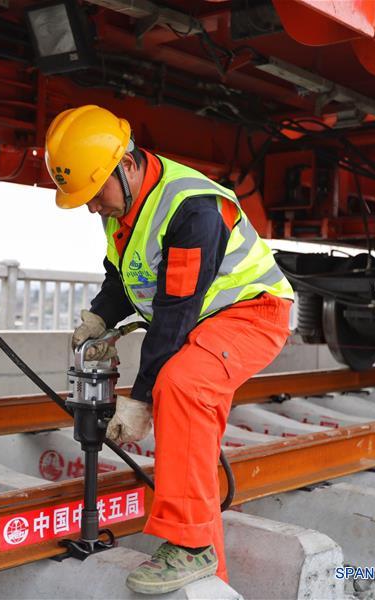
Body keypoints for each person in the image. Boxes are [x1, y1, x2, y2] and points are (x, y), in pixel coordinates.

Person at [45, 104, 294, 595]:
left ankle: (189, 545)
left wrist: (140, 398)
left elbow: (175, 313)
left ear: (127, 164)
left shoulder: (190, 208)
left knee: (180, 384)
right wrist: (99, 316)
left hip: (252, 314)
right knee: (192, 437)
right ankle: (209, 574)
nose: (93, 207)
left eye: (96, 194)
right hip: (205, 324)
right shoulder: (122, 205)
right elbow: (125, 272)